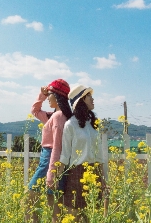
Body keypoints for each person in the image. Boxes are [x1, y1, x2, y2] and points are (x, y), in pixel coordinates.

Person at [25, 79, 73, 223]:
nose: (48, 99)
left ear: (57, 96)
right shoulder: (56, 116)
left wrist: (51, 175)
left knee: (29, 198)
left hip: (50, 160)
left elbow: (57, 146)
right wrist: (42, 94)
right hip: (54, 161)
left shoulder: (57, 117)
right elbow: (35, 110)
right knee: (53, 203)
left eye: (50, 95)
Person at [58, 84, 105, 219]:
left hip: (94, 172)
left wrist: (102, 178)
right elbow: (65, 155)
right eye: (89, 96)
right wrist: (57, 179)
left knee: (91, 215)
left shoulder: (93, 123)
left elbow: (99, 155)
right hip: (76, 173)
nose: (92, 99)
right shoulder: (70, 125)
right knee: (74, 216)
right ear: (81, 101)